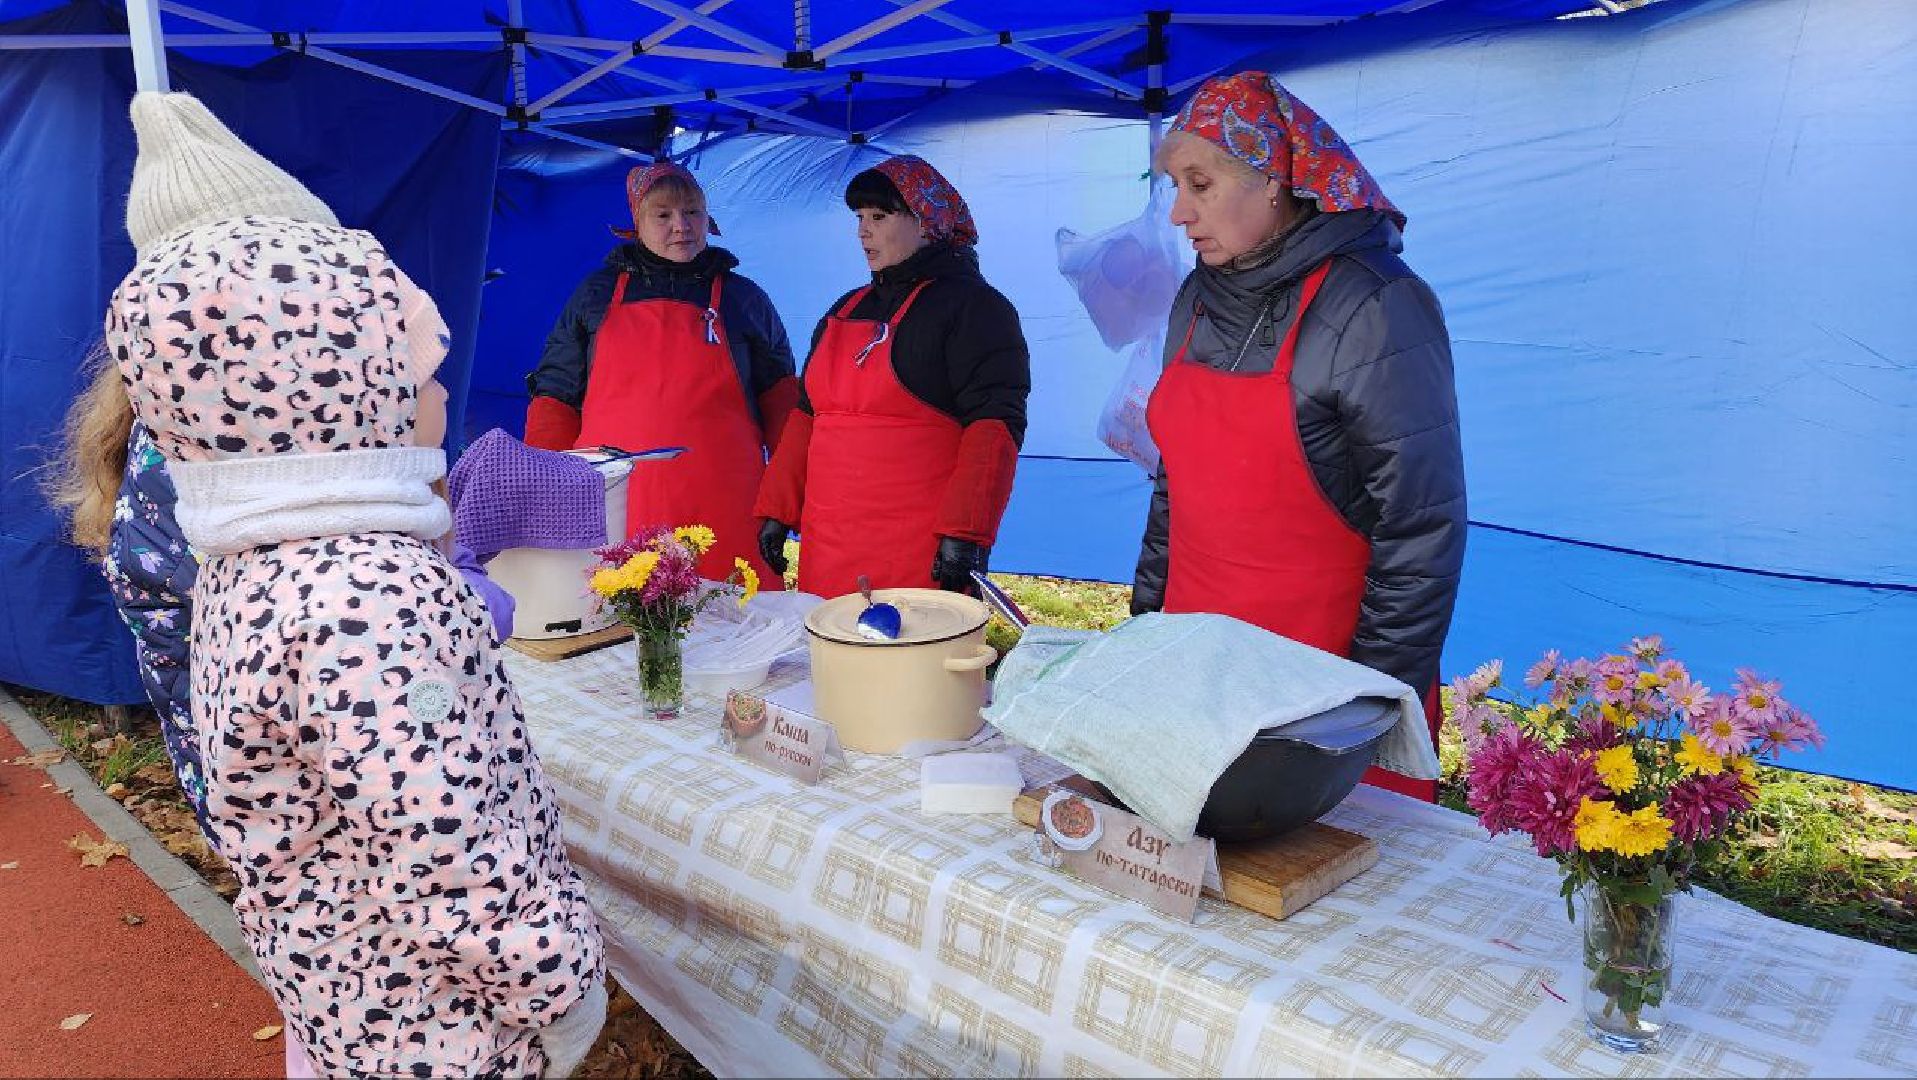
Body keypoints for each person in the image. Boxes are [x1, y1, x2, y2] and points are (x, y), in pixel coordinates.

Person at [103, 91, 603, 1077]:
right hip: (447, 1037)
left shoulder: (259, 561)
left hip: (349, 1006)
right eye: (411, 370)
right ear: (328, 387)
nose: (444, 391)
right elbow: (447, 843)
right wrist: (561, 981)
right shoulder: (365, 601)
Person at [1131, 72, 1467, 802]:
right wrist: (1145, 631)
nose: (1179, 213)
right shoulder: (1196, 296)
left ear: (1274, 182)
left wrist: (1371, 703)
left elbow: (1417, 526)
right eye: (1174, 188)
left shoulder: (1376, 304)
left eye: (1201, 184)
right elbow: (1173, 485)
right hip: (1197, 669)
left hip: (1319, 689)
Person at [49, 364, 518, 848]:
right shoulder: (312, 539)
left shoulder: (219, 473)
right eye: (421, 380)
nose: (444, 391)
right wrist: (447, 581)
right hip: (310, 816)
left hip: (260, 795)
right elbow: (412, 801)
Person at [754, 155, 1029, 600]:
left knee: (910, 663)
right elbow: (807, 416)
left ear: (925, 222)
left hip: (918, 549)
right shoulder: (843, 308)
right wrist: (776, 509)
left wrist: (966, 532)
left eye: (879, 217)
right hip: (830, 544)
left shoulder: (977, 308)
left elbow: (995, 425)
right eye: (860, 218)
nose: (863, 230)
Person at [524, 163, 797, 583]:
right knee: (627, 624)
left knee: (731, 626)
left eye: (692, 213)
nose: (681, 227)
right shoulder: (595, 295)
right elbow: (556, 396)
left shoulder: (744, 299)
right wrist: (546, 489)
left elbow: (782, 406)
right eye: (663, 215)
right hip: (620, 505)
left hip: (727, 504)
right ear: (638, 221)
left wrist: (786, 503)